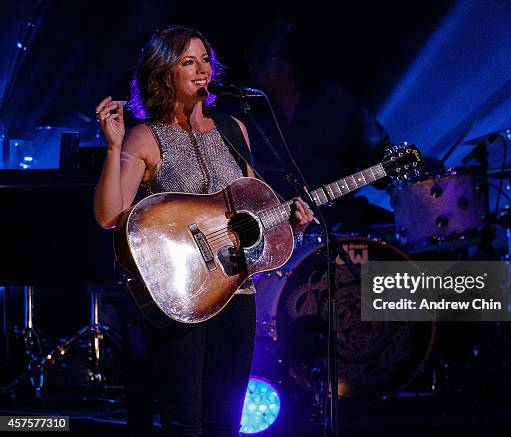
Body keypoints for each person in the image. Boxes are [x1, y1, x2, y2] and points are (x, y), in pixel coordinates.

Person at [92, 25, 313, 437]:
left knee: (226, 421)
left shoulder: (233, 130)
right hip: (181, 294)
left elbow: (254, 209)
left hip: (236, 291)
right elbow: (109, 216)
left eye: (205, 60)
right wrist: (112, 146)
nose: (201, 70)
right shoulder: (146, 137)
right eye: (188, 61)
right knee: (185, 422)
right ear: (164, 73)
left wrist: (290, 223)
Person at [218, 15, 394, 232]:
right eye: (254, 62)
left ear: (289, 63)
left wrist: (392, 168)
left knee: (387, 237)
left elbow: (376, 150)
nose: (256, 68)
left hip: (343, 219)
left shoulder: (334, 101)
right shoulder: (249, 112)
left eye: (265, 60)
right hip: (280, 225)